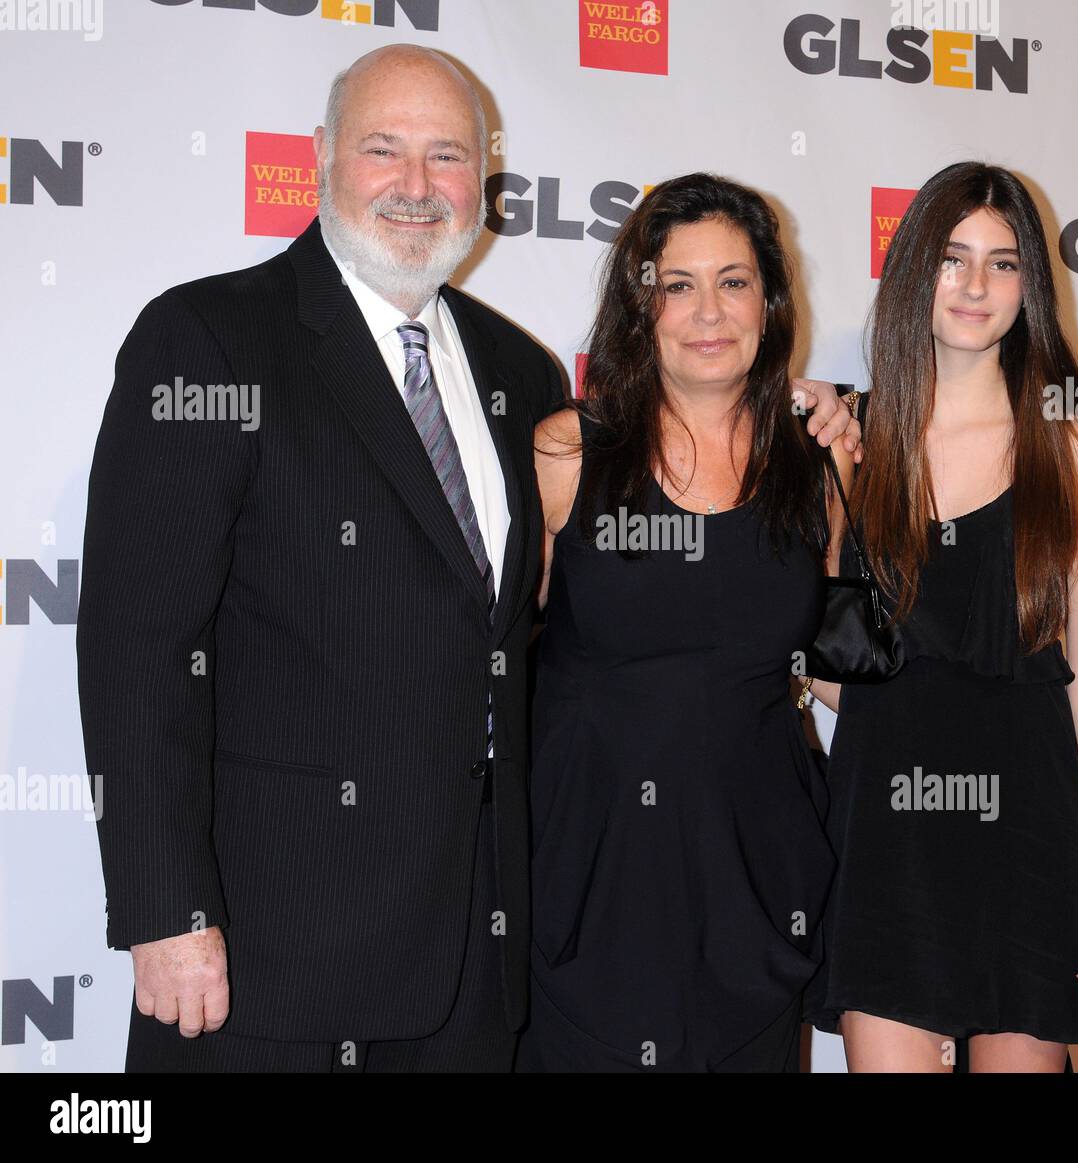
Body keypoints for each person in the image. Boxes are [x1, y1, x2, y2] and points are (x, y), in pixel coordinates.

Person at [77, 47, 859, 1073]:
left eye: (446, 155)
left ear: (482, 183)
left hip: (477, 954)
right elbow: (139, 641)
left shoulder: (513, 372)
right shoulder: (211, 340)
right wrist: (162, 908)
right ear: (320, 158)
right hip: (272, 951)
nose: (415, 185)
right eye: (383, 149)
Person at [517, 173, 855, 1073]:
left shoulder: (817, 466)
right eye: (678, 284)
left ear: (770, 301)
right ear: (643, 304)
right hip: (589, 888)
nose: (709, 310)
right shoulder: (569, 451)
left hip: (755, 887)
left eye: (734, 281)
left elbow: (842, 669)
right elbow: (491, 666)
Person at [806, 162, 1078, 1072]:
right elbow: (840, 670)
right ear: (917, 269)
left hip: (1029, 837)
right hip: (883, 840)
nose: (976, 286)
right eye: (953, 259)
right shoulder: (851, 442)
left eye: (1002, 263)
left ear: (1032, 284)